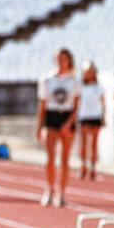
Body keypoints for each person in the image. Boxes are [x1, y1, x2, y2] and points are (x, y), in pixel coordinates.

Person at [35, 49, 80, 207]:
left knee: (65, 159)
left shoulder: (74, 81)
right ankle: (49, 189)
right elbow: (42, 104)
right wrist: (39, 126)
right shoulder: (47, 79)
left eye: (64, 58)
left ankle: (62, 193)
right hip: (51, 117)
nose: (61, 61)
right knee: (50, 158)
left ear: (69, 60)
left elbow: (76, 105)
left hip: (67, 116)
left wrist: (69, 123)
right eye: (59, 58)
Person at [77, 60, 105, 181]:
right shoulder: (80, 87)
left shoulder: (99, 87)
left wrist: (103, 117)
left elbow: (103, 103)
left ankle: (93, 168)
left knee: (94, 144)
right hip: (84, 116)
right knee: (83, 144)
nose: (89, 74)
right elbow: (76, 102)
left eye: (91, 71)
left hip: (95, 116)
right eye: (87, 72)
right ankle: (83, 166)